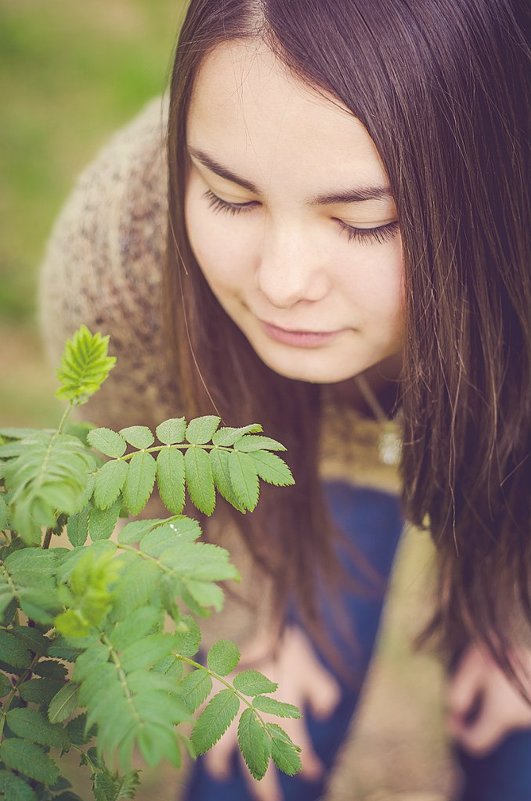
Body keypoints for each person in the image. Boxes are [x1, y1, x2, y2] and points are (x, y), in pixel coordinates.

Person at [39, 1, 531, 799]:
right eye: (230, 197)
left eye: (366, 219)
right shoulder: (121, 250)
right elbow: (132, 490)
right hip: (278, 455)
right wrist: (235, 626)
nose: (279, 282)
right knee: (257, 754)